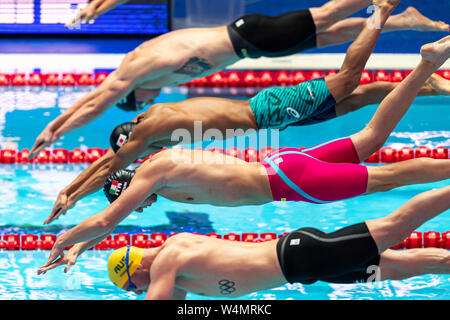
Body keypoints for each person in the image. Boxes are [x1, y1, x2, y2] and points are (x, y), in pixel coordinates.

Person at [36, 34, 450, 267]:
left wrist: (63, 241)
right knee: (371, 137)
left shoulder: (152, 174)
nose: (138, 210)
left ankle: (399, 42)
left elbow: (109, 217)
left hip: (291, 181)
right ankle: (426, 66)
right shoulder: (164, 164)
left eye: (134, 203)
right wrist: (81, 239)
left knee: (389, 177)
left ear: (131, 189)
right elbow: (111, 180)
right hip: (282, 164)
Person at [44, 0, 449, 224]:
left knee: (346, 80)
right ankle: (431, 82)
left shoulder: (151, 128)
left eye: (129, 148)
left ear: (131, 134)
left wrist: (75, 194)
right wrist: (73, 191)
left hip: (266, 111)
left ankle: (379, 13)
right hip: (274, 118)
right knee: (356, 99)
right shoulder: (156, 129)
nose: (131, 155)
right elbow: (107, 163)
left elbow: (110, 163)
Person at [29, 0, 449, 159]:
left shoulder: (137, 70)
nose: (148, 102)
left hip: (247, 36)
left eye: (139, 102)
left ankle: (383, 11)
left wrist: (55, 128)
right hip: (252, 43)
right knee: (325, 35)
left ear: (133, 94)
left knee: (329, 27)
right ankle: (396, 23)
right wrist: (96, 8)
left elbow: (96, 101)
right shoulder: (153, 71)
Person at [38, 185, 450, 300]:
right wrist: (83, 247)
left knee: (398, 224)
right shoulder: (178, 274)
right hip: (309, 268)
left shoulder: (171, 258)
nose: (138, 292)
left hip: (304, 254)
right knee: (402, 266)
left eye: (133, 287)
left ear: (137, 269)